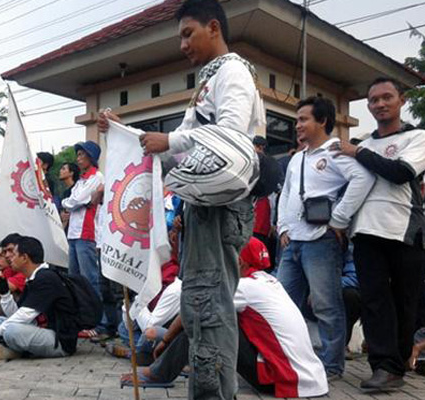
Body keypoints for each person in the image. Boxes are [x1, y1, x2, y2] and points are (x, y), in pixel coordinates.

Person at [100, 1, 264, 398]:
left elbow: (231, 135)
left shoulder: (232, 72)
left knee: (208, 308)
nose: (182, 45)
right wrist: (129, 134)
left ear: (213, 28)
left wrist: (169, 140)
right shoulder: (211, 80)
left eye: (187, 34)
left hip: (220, 209)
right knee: (198, 305)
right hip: (202, 209)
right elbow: (182, 152)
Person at [121, 237, 329, 398]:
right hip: (311, 378)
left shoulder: (245, 287)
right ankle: (189, 360)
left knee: (207, 320)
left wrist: (166, 341)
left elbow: (193, 310)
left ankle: (160, 373)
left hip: (285, 378)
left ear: (237, 261)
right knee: (213, 312)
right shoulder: (268, 282)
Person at [334, 77, 425, 390]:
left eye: (387, 97)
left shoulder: (418, 137)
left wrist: (357, 153)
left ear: (400, 100)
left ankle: (397, 364)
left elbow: (401, 173)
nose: (380, 104)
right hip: (365, 233)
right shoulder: (363, 143)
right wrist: (340, 222)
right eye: (373, 100)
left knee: (405, 301)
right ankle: (383, 366)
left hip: (405, 232)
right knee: (373, 301)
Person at [276, 96, 375, 379]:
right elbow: (286, 193)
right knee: (284, 303)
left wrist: (338, 219)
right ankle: (287, 358)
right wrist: (283, 227)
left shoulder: (335, 150)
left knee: (326, 304)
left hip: (321, 241)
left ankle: (331, 365)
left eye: (303, 119)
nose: (298, 125)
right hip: (292, 242)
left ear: (322, 121)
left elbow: (363, 180)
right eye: (297, 120)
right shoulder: (296, 158)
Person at [0, 236, 79, 360]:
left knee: (10, 329)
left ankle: (10, 349)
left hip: (60, 341)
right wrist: (5, 294)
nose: (9, 258)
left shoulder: (46, 278)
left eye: (14, 254)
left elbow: (26, 315)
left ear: (24, 258)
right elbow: (15, 314)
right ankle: (9, 350)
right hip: (39, 330)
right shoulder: (32, 279)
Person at [61, 141, 104, 298]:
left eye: (81, 155)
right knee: (74, 279)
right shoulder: (80, 181)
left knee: (89, 279)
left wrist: (71, 203)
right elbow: (74, 201)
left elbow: (75, 200)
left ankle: (99, 320)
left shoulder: (97, 177)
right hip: (73, 233)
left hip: (86, 234)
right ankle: (82, 315)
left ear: (90, 157)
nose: (78, 159)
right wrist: (73, 203)